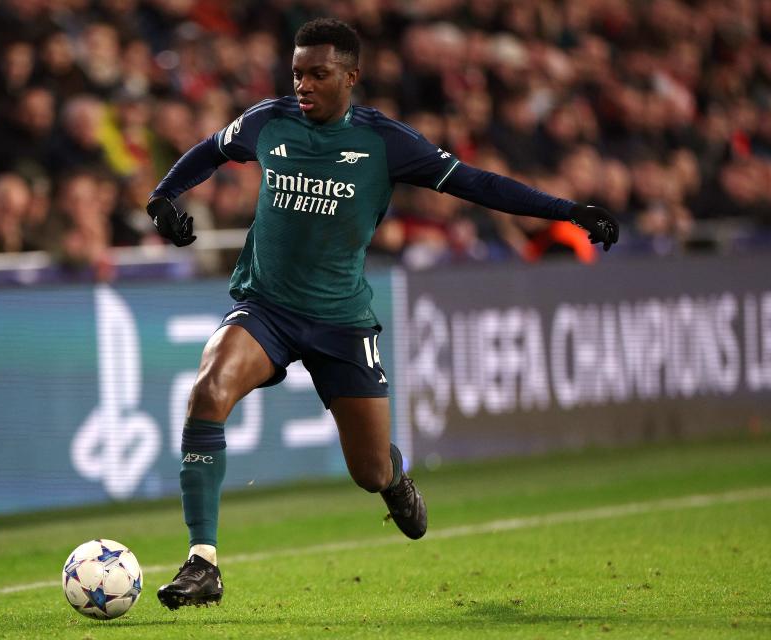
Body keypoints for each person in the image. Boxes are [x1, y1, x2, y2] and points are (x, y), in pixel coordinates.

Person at [146, 18, 619, 611]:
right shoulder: (269, 121)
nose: (304, 86)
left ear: (351, 76)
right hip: (266, 308)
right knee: (208, 391)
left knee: (368, 470)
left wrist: (568, 211)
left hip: (342, 323)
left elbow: (477, 184)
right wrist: (163, 197)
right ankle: (202, 562)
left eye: (318, 74)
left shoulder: (385, 142)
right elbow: (210, 151)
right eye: (297, 73)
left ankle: (394, 482)